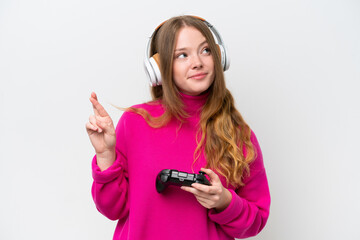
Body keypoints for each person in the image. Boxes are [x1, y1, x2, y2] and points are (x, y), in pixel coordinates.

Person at [86, 15, 270, 240]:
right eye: (182, 55)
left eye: (205, 50)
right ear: (159, 67)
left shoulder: (239, 135)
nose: (197, 62)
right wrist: (105, 155)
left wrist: (224, 201)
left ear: (219, 57)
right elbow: (111, 209)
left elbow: (256, 221)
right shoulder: (135, 122)